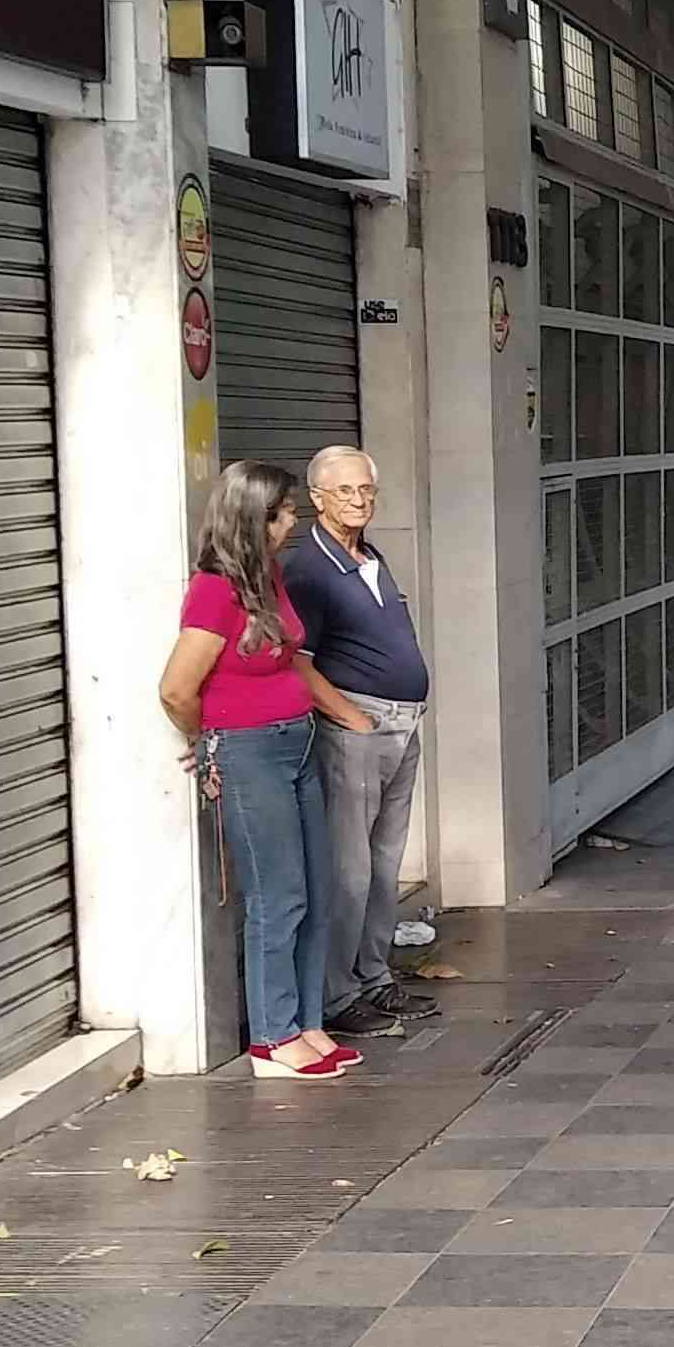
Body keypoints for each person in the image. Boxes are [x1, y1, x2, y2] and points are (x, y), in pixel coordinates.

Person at [158, 460, 375, 1079]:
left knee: (316, 888)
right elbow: (176, 688)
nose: (291, 523)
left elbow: (290, 657)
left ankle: (307, 1021)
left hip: (296, 743)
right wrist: (207, 740)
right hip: (249, 750)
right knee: (276, 896)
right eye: (283, 514)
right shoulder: (214, 589)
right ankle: (272, 1039)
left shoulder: (267, 577)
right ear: (254, 519)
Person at [285, 445, 430, 1032]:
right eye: (345, 491)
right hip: (358, 730)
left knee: (385, 861)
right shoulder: (309, 571)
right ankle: (337, 996)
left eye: (366, 489)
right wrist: (351, 717)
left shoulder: (370, 555)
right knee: (349, 869)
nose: (359, 500)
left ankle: (375, 975)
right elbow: (297, 661)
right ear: (317, 499)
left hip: (402, 724)